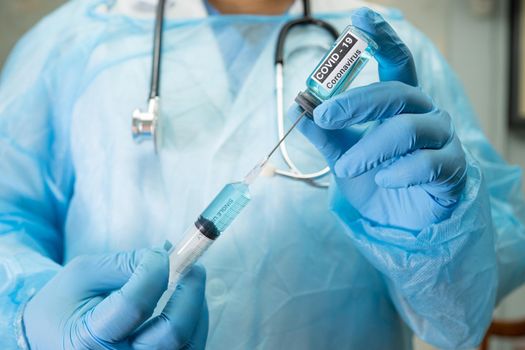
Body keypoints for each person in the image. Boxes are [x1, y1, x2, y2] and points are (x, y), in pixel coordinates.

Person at [0, 0, 524, 349]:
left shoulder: (385, 50)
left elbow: (459, 322)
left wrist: (436, 239)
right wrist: (30, 315)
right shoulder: (76, 44)